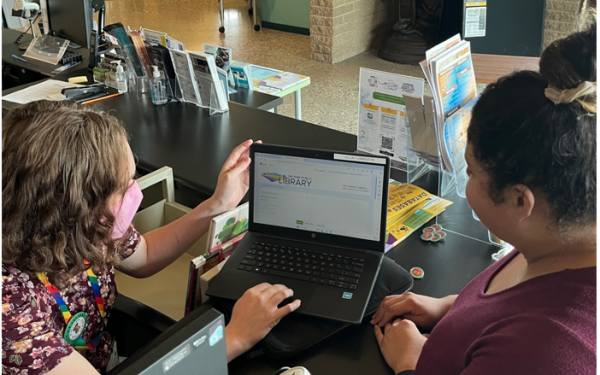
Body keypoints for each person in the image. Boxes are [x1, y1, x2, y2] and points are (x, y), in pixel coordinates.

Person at [2, 100, 301, 374]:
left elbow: (143, 256)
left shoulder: (85, 225)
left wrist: (218, 204)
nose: (135, 193)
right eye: (123, 186)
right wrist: (235, 338)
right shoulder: (10, 310)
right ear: (73, 207)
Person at [371, 24, 596, 375]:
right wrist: (451, 309)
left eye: (473, 173)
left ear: (522, 201)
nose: (466, 185)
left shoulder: (544, 354)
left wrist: (412, 364)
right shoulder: (563, 229)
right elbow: (512, 299)